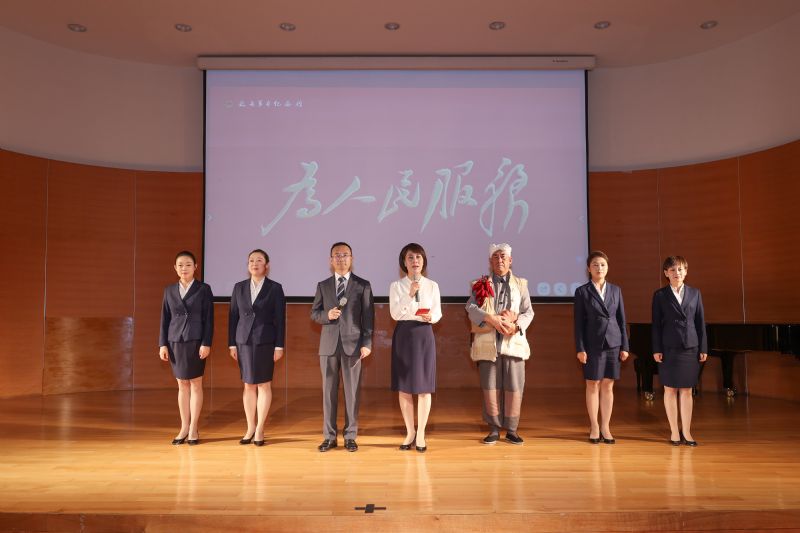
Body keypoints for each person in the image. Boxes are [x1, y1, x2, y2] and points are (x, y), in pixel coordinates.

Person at [466, 243, 534, 445]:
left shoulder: (521, 284)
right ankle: (494, 429)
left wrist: (516, 326)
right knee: (490, 387)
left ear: (510, 260)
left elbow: (528, 312)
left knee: (515, 387)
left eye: (503, 256)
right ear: (490, 261)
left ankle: (512, 430)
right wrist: (490, 318)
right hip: (488, 344)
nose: (499, 260)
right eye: (495, 257)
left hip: (513, 343)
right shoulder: (480, 284)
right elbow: (470, 307)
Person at [311, 242, 375, 453]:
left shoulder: (363, 285)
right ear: (331, 260)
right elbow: (314, 313)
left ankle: (350, 436)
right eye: (337, 255)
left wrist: (367, 343)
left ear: (352, 259)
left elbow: (368, 317)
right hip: (328, 346)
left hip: (353, 345)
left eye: (345, 255)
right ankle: (329, 437)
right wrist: (326, 315)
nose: (341, 259)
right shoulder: (323, 285)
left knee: (352, 393)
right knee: (328, 393)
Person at [229, 249, 286, 447]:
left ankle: (260, 428)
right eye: (251, 260)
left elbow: (280, 320)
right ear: (248, 265)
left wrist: (279, 346)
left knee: (264, 384)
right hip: (243, 342)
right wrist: (232, 343)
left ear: (266, 265)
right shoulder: (239, 287)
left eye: (259, 260)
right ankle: (250, 427)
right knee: (248, 385)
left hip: (265, 341)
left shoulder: (275, 288)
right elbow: (233, 317)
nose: (255, 263)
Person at [389, 243, 442, 453]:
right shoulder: (396, 286)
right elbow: (395, 314)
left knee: (423, 386)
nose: (415, 261)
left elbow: (438, 312)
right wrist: (409, 294)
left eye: (418, 257)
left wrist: (432, 317)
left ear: (424, 261)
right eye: (410, 257)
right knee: (404, 386)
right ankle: (410, 431)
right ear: (404, 262)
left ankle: (421, 433)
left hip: (424, 334)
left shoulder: (432, 285)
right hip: (404, 335)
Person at [573, 251, 629, 444]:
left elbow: (621, 320)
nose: (599, 268)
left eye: (603, 264)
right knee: (593, 384)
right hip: (592, 344)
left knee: (608, 385)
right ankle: (594, 426)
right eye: (595, 265)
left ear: (608, 267)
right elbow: (578, 324)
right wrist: (580, 348)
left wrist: (625, 346)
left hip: (613, 343)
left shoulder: (616, 290)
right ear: (588, 269)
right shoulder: (582, 292)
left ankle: (605, 426)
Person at [159, 251, 214, 446]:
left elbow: (209, 319)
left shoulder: (204, 289)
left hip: (196, 341)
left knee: (196, 384)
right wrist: (162, 344)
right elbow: (164, 319)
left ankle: (193, 428)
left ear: (195, 267)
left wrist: (206, 342)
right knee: (182, 384)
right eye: (180, 265)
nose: (184, 268)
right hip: (175, 341)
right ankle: (184, 426)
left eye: (188, 264)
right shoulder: (169, 290)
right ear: (175, 268)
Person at [652, 255, 707, 446]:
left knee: (687, 390)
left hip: (690, 347)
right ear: (666, 273)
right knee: (670, 389)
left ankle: (687, 432)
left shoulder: (695, 293)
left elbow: (700, 322)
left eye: (681, 269)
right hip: (668, 348)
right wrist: (656, 348)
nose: (677, 272)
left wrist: (703, 347)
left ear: (686, 271)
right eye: (673, 270)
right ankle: (674, 431)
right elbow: (656, 325)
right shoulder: (660, 295)